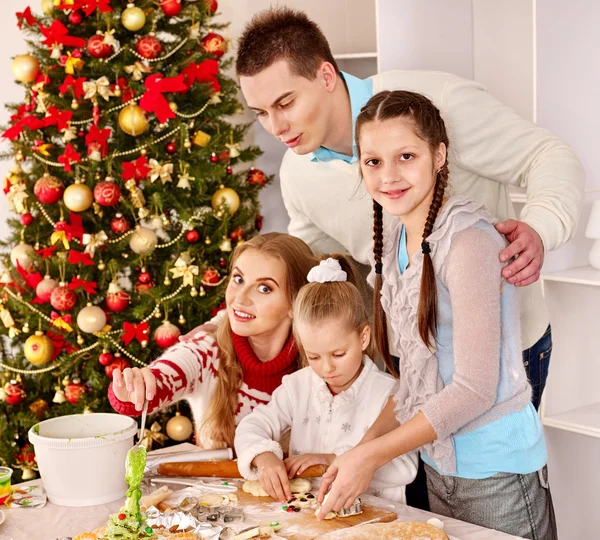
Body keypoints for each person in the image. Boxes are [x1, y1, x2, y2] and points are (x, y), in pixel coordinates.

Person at [235, 7, 584, 413]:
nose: (275, 127)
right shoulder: (298, 172)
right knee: (418, 477)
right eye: (261, 112)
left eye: (285, 103)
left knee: (493, 475)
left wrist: (540, 229)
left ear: (326, 76)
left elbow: (548, 156)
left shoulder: (438, 103)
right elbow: (320, 271)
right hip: (405, 359)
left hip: (501, 348)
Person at [315, 90, 557, 540]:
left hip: (498, 477)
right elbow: (415, 382)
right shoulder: (394, 245)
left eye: (406, 156)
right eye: (373, 162)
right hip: (439, 467)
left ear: (438, 155)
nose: (389, 176)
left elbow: (474, 390)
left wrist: (370, 457)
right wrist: (355, 454)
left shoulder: (468, 241)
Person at [234, 256, 417, 503]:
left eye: (338, 354)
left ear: (363, 338)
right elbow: (251, 426)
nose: (327, 367)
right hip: (306, 517)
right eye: (314, 356)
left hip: (372, 521)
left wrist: (333, 459)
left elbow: (405, 467)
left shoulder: (389, 394)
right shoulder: (297, 387)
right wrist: (263, 456)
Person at [108, 233, 316, 449]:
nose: (240, 298)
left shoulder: (323, 362)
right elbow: (161, 380)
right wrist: (135, 387)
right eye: (238, 279)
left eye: (264, 288)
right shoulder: (206, 349)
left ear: (295, 302)